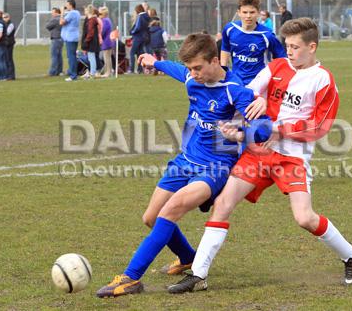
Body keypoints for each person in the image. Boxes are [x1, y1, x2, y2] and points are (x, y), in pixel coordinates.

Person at [168, 18, 352, 294]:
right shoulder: (276, 66)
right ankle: (199, 275)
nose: (290, 52)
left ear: (312, 47)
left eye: (295, 47)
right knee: (223, 203)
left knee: (304, 218)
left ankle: (351, 257)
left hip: (291, 159)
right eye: (287, 46)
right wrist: (238, 122)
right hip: (257, 154)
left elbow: (320, 127)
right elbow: (246, 92)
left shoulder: (323, 80)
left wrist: (276, 128)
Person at [95, 33, 268, 298]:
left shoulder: (236, 90)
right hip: (184, 161)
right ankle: (188, 257)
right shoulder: (191, 77)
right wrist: (155, 62)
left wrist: (241, 134)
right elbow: (177, 71)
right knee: (151, 218)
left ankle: (130, 278)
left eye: (198, 68)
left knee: (171, 209)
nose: (193, 74)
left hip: (215, 167)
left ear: (214, 61)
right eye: (190, 68)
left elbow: (264, 130)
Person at [221, 0, 285, 86]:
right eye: (245, 12)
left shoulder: (267, 35)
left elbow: (281, 58)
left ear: (258, 13)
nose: (248, 16)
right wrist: (223, 69)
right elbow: (225, 48)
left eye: (252, 12)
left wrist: (274, 76)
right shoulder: (230, 29)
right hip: (236, 82)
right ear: (238, 12)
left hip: (259, 84)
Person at [60, 0, 81, 81]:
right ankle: (73, 72)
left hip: (70, 37)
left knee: (71, 56)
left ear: (71, 5)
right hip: (74, 37)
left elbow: (61, 22)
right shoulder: (77, 13)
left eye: (67, 5)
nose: (66, 6)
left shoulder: (72, 13)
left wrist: (62, 13)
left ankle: (73, 75)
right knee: (73, 56)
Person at [128, 4, 150, 74]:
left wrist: (132, 32)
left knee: (132, 53)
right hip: (144, 37)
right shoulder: (147, 16)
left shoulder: (140, 16)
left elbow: (137, 27)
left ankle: (131, 69)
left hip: (137, 37)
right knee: (139, 54)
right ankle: (140, 69)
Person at [81, 5, 100, 79]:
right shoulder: (91, 19)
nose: (84, 12)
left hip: (92, 42)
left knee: (91, 57)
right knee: (90, 57)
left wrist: (86, 40)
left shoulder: (92, 20)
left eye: (86, 10)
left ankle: (92, 72)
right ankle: (92, 72)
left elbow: (90, 33)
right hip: (92, 41)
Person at [46, 7, 63, 76]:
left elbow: (47, 26)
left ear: (57, 12)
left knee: (54, 56)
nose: (52, 14)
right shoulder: (61, 18)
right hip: (61, 39)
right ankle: (59, 70)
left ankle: (53, 72)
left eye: (53, 12)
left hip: (55, 39)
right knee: (59, 56)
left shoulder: (55, 19)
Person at [99, 6, 114, 78]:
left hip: (106, 41)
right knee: (107, 57)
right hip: (108, 40)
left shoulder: (105, 21)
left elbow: (103, 31)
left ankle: (108, 72)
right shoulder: (107, 20)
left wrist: (98, 35)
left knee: (107, 58)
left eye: (100, 14)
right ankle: (109, 71)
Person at [2, 13, 15, 80]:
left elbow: (7, 32)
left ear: (9, 17)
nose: (4, 18)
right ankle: (7, 75)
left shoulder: (11, 24)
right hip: (5, 44)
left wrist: (1, 32)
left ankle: (11, 76)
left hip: (9, 44)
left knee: (9, 59)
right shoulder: (4, 24)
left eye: (6, 17)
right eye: (3, 17)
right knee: (6, 60)